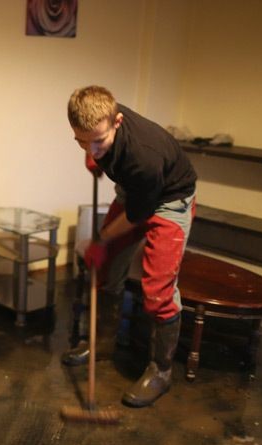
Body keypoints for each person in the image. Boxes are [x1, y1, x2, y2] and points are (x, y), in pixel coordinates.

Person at [64, 85, 197, 407]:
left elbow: (138, 214)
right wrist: (94, 152)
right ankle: (103, 344)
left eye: (100, 142)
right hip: (134, 192)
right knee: (106, 267)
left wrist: (100, 239)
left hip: (169, 201)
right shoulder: (96, 114)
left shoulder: (144, 156)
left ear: (118, 121)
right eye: (82, 141)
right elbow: (95, 144)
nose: (92, 149)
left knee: (157, 291)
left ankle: (161, 371)